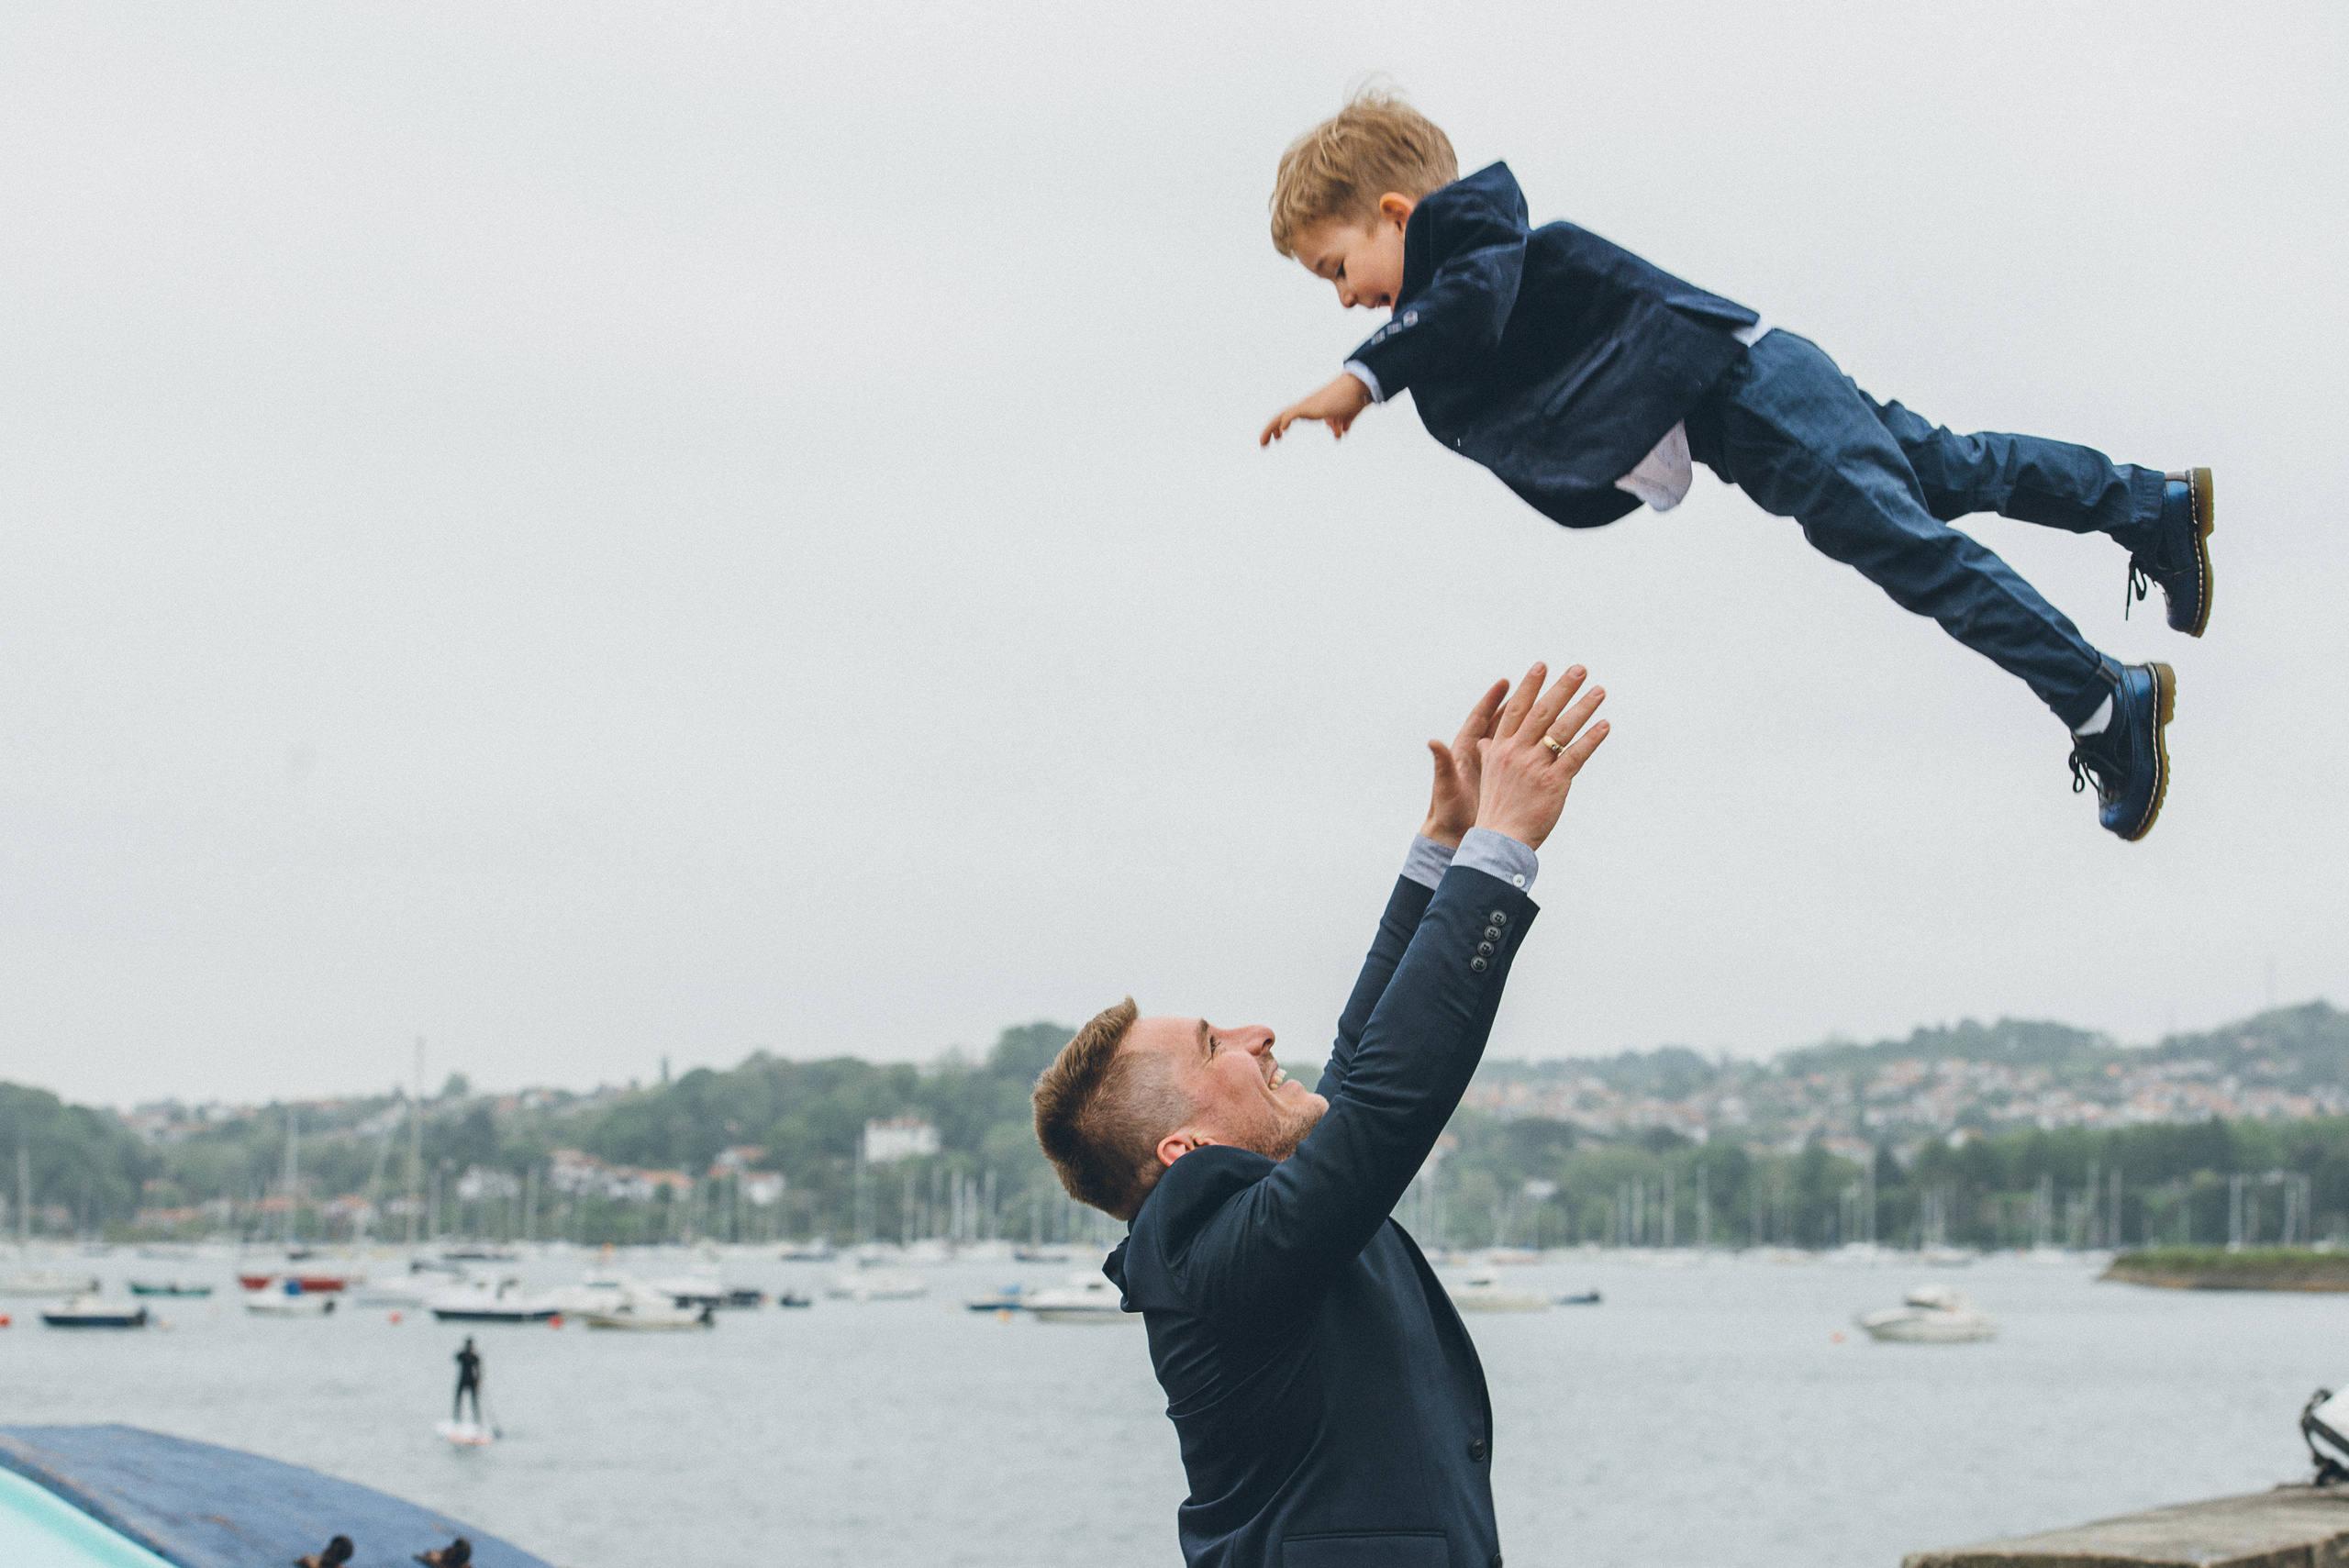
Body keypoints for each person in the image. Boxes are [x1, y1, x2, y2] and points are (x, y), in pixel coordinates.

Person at [1260, 88, 2212, 843]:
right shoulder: (1482, 287)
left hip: (1749, 399)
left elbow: (1462, 299)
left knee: (1912, 550)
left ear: (1397, 215)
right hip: (1758, 383)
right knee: (1949, 473)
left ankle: (2099, 698)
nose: (1344, 299)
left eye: (1336, 268)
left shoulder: (1473, 251)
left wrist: (1360, 380)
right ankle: (2150, 507)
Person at [1032, 662, 1607, 1568]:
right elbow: (1380, 1106)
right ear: (1184, 1148)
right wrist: (1500, 848)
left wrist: (1443, 847)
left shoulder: (1251, 1228)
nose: (1258, 1032)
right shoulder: (1209, 1255)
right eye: (1215, 1043)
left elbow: (1356, 1064)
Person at [452, 1337, 483, 1426]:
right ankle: (457, 1419)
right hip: (463, 1379)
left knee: (474, 1402)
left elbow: (478, 1371)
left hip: (470, 1380)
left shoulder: (474, 1357)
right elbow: (456, 1358)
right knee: (459, 1400)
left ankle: (477, 1420)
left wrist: (478, 1382)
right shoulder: (463, 1355)